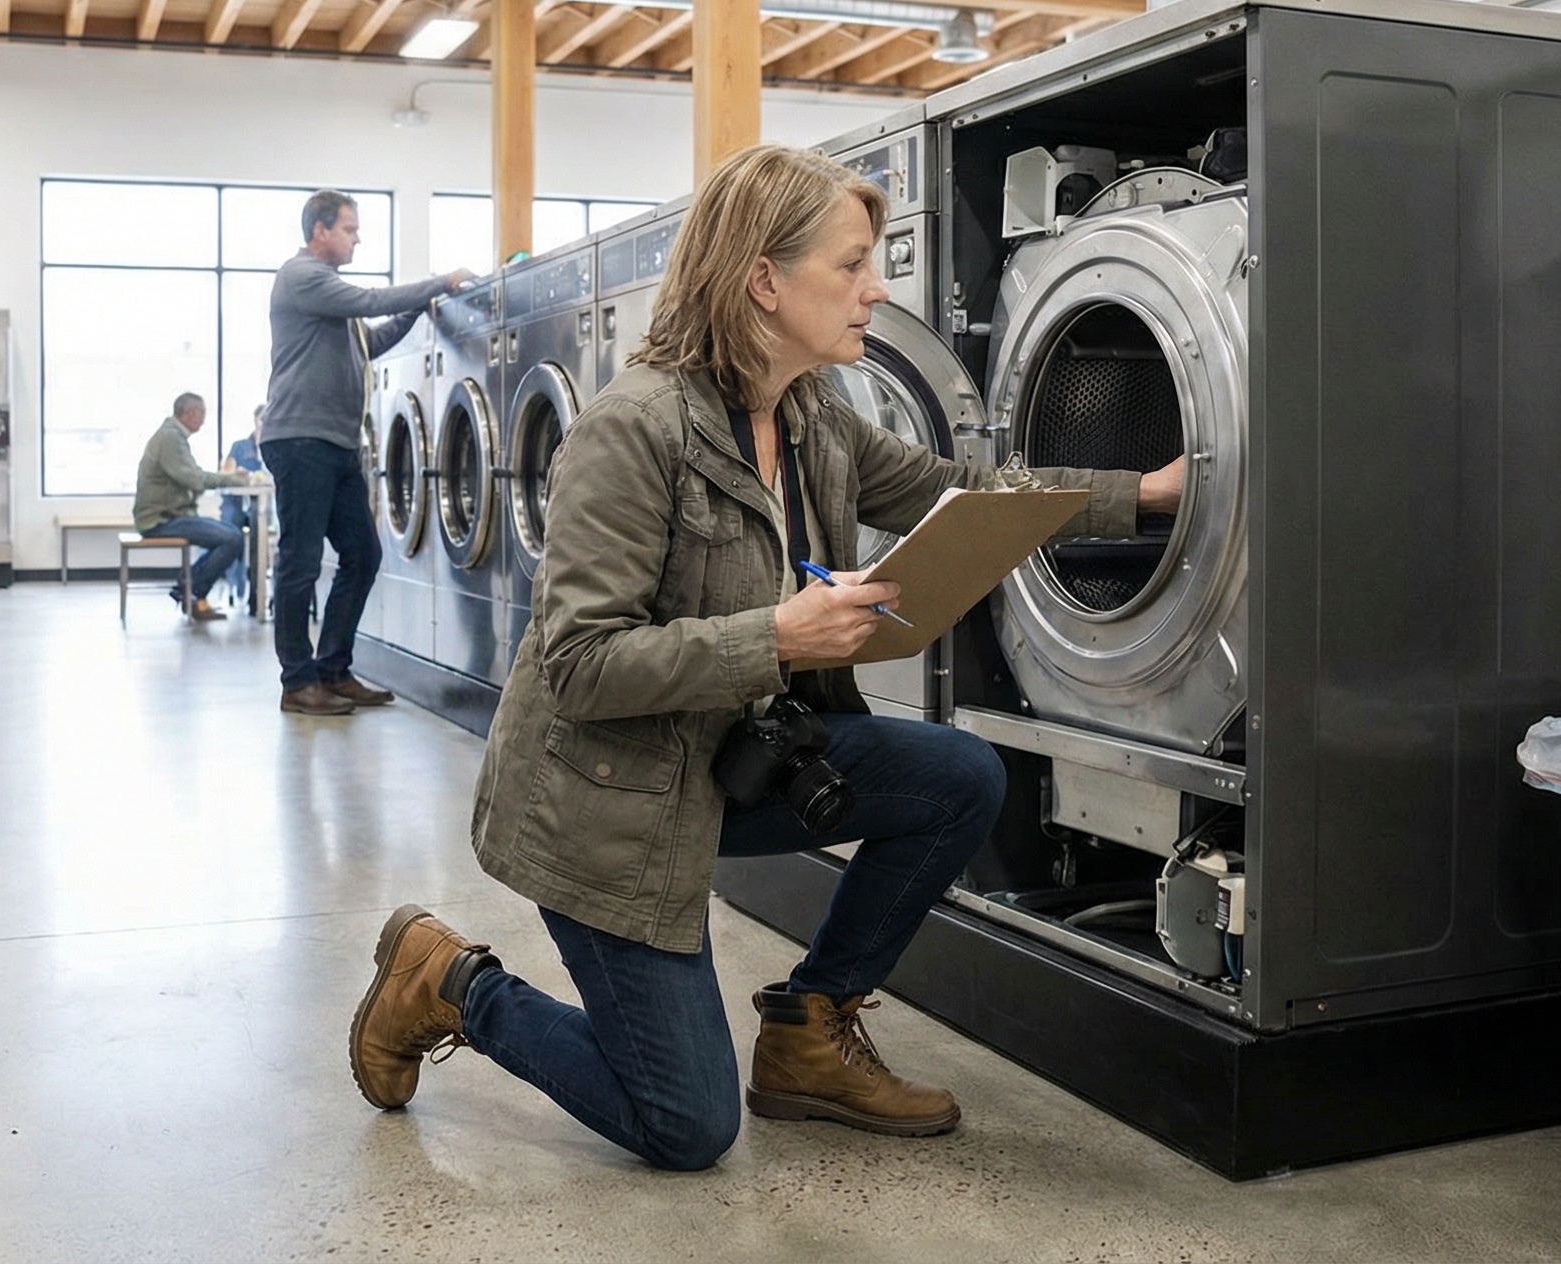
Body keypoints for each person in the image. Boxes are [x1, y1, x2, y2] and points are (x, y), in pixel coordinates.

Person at [346, 144, 1191, 1169]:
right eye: (850, 265)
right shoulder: (629, 430)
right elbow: (577, 662)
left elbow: (956, 485)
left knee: (958, 779)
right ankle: (448, 983)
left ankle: (807, 1034)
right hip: (606, 802)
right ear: (763, 281)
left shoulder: (809, 416)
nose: (876, 288)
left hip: (725, 760)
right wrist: (776, 636)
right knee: (686, 1126)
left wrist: (1137, 493)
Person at [258, 190, 474, 716]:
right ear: (320, 230)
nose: (358, 238)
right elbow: (369, 301)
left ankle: (333, 669)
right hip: (300, 440)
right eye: (350, 229)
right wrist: (439, 283)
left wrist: (420, 313)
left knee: (363, 554)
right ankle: (296, 682)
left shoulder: (327, 298)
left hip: (335, 445)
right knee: (301, 563)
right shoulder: (303, 277)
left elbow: (369, 340)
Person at [134, 393, 255, 622]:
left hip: (168, 516)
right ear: (190, 414)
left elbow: (190, 479)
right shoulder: (170, 438)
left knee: (230, 534)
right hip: (160, 520)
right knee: (231, 538)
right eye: (202, 415)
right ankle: (192, 591)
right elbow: (195, 479)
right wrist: (233, 479)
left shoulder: (171, 436)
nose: (203, 421)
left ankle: (188, 586)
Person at [220, 403, 268, 607]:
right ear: (255, 421)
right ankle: (236, 580)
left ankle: (256, 588)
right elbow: (225, 473)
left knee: (261, 527)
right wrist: (238, 473)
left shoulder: (276, 446)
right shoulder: (240, 447)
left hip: (264, 505)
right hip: (237, 503)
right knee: (233, 528)